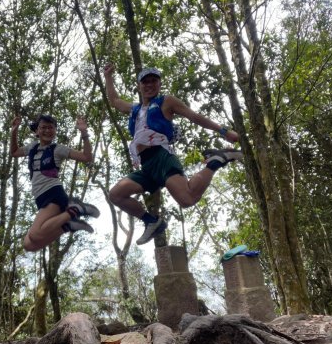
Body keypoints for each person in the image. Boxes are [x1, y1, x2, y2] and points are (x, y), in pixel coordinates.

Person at [103, 63, 243, 245]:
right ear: (139, 86)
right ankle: (152, 222)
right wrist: (107, 77)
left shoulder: (166, 102)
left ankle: (217, 160)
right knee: (116, 194)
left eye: (154, 81)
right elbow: (115, 100)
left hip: (162, 158)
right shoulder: (135, 110)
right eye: (145, 82)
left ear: (159, 84)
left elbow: (194, 116)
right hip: (146, 166)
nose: (149, 85)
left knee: (187, 199)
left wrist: (224, 131)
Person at [10, 114, 100, 252]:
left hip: (53, 193)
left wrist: (84, 132)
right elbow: (15, 152)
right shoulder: (32, 147)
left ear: (55, 131)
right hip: (40, 197)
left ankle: (76, 209)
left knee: (34, 235)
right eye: (43, 127)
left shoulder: (58, 149)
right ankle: (67, 225)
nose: (47, 131)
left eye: (51, 127)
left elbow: (87, 157)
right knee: (29, 245)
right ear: (37, 131)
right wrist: (14, 130)